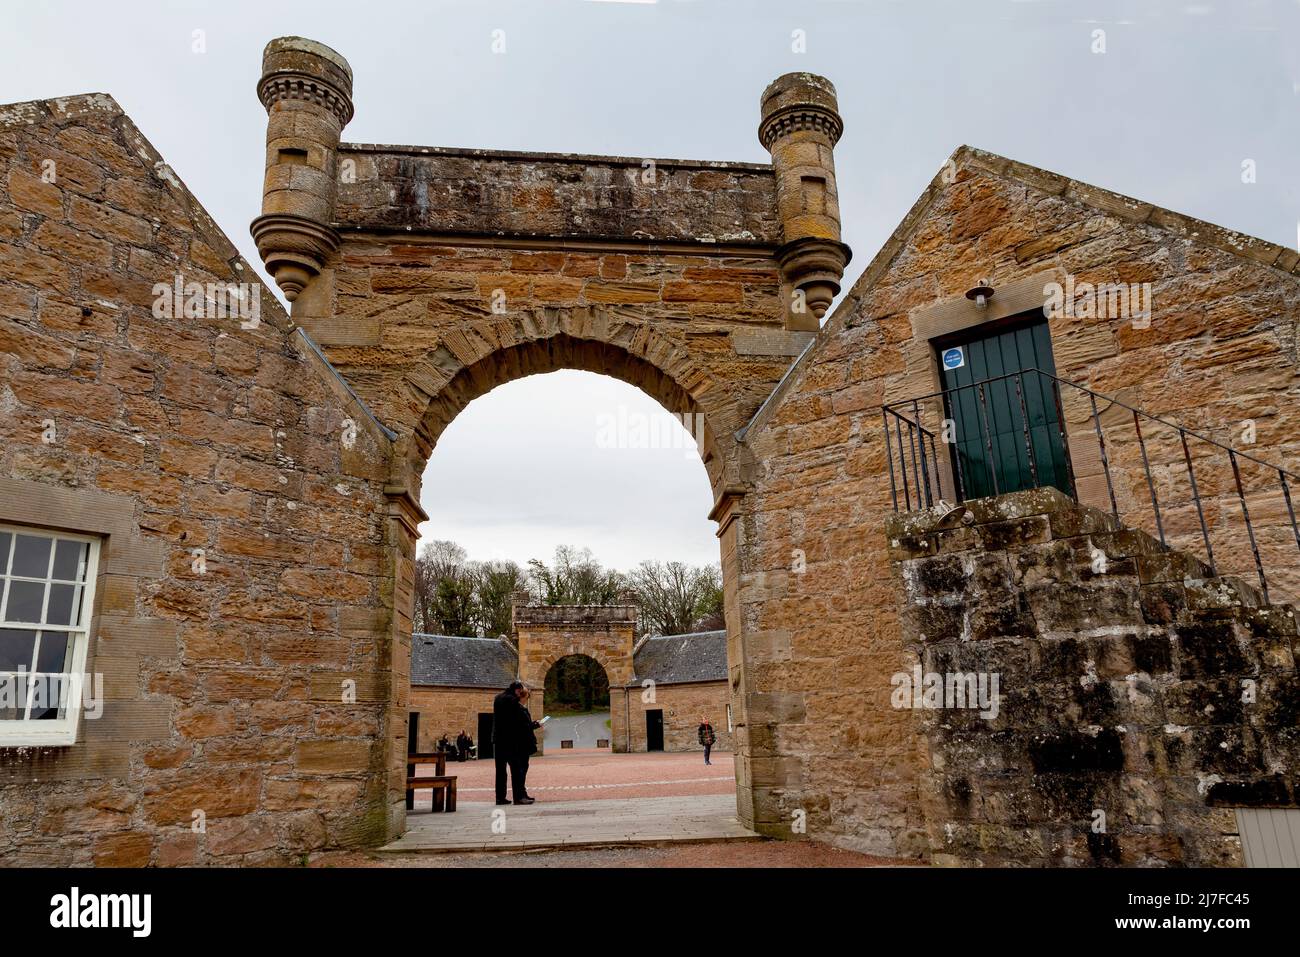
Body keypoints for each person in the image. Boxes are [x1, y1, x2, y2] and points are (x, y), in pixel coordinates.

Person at [493, 680, 541, 805]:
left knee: (500, 771)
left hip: (498, 739)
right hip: (510, 741)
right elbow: (516, 723)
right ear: (517, 690)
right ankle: (518, 797)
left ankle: (500, 797)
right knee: (516, 769)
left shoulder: (497, 698)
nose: (520, 695)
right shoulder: (513, 700)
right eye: (520, 692)